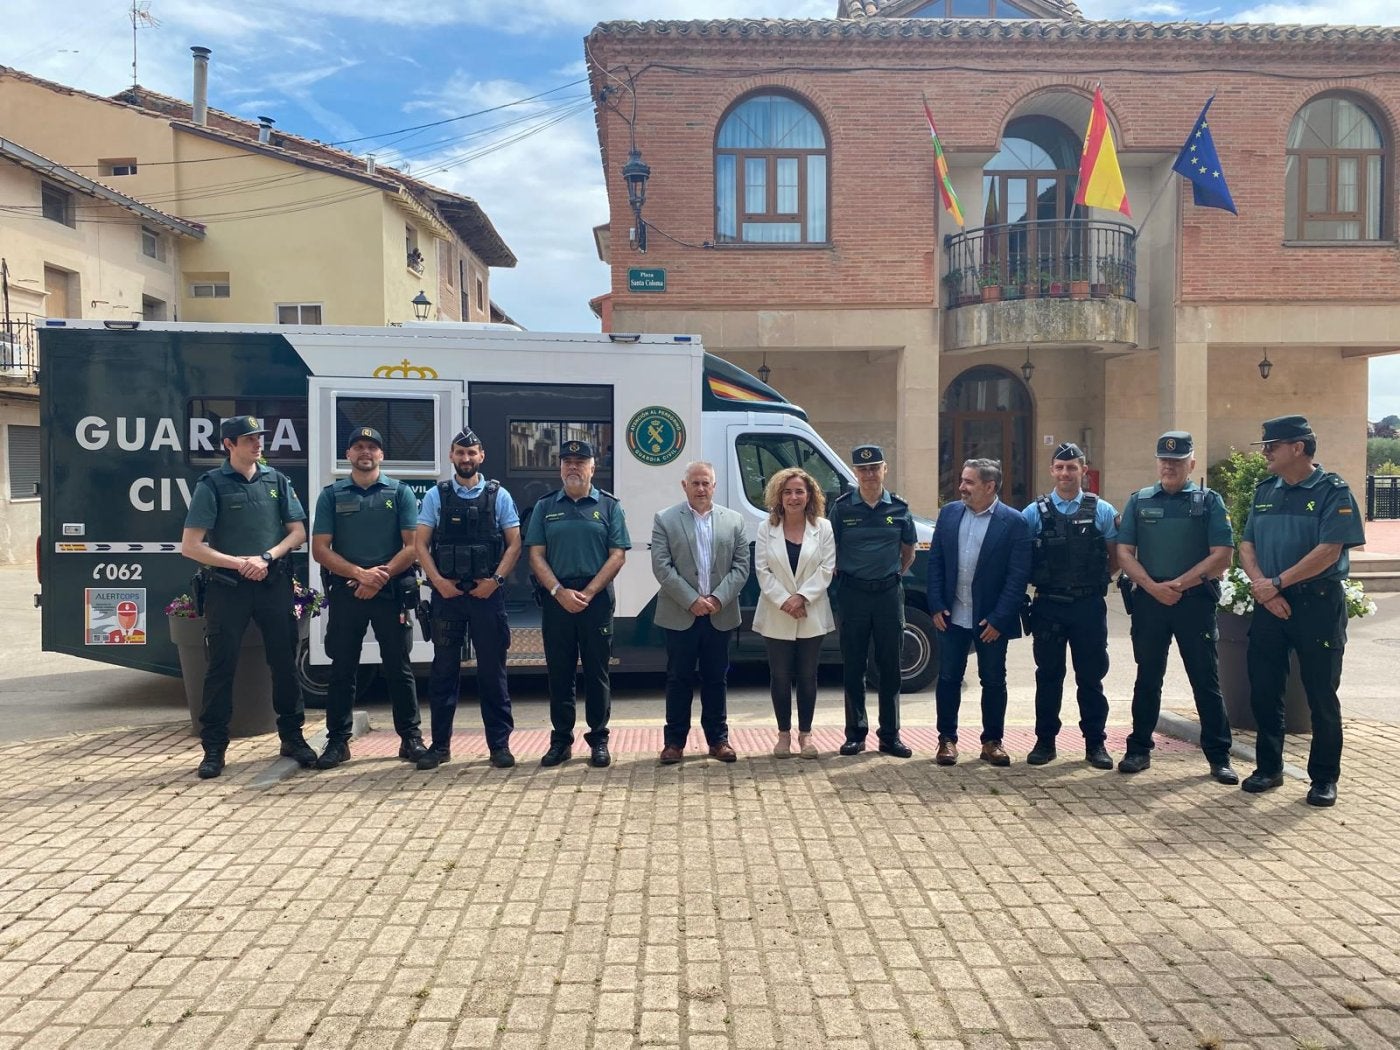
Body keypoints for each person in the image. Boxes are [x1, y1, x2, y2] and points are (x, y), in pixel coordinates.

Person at [180, 415, 317, 779]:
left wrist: (267, 557)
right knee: (220, 667)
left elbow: (298, 533)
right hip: (228, 589)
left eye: (259, 437)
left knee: (285, 663)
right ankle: (213, 749)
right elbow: (191, 546)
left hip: (272, 583)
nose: (258, 444)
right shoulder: (211, 484)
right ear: (229, 444)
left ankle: (293, 737)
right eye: (248, 439)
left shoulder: (277, 480)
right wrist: (238, 563)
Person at [1239, 415, 1364, 807]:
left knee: (1320, 695)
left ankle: (1324, 778)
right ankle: (1268, 768)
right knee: (1264, 689)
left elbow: (1329, 551)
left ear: (1298, 447)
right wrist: (1263, 587)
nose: (1266, 454)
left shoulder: (1333, 492)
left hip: (1316, 604)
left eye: (1272, 446)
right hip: (1269, 603)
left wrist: (1278, 583)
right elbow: (1247, 544)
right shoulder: (1265, 490)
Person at [1115, 432, 1238, 783]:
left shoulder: (1209, 502)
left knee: (1206, 680)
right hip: (1151, 602)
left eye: (1178, 461)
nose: (1169, 466)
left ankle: (1219, 756)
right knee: (1147, 678)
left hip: (1194, 602)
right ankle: (1139, 749)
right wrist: (1154, 588)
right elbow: (1124, 553)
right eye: (1164, 460)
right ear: (1157, 462)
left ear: (1191, 464)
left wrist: (1180, 585)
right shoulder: (1139, 501)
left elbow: (1222, 555)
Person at [310, 426, 425, 770]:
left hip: (389, 592)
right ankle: (337, 742)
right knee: (343, 668)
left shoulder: (399, 492)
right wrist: (360, 575)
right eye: (359, 446)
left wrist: (380, 577)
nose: (366, 452)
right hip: (347, 591)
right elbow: (320, 549)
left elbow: (412, 546)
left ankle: (411, 738)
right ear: (348, 455)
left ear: (381, 455)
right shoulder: (331, 495)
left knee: (398, 667)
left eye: (372, 447)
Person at [415, 428, 522, 770]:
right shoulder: (436, 496)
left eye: (472, 453)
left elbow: (514, 543)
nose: (466, 459)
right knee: (444, 672)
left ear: (481, 456)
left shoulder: (498, 496)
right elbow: (420, 544)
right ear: (451, 456)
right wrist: (438, 583)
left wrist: (496, 581)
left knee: (493, 673)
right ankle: (440, 746)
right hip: (448, 597)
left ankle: (500, 746)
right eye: (460, 453)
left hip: (487, 597)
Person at [526, 439, 630, 768]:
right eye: (567, 461)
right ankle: (561, 741)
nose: (573, 466)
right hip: (557, 599)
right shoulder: (545, 506)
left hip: (595, 599)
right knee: (560, 672)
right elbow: (536, 555)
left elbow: (618, 555)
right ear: (560, 468)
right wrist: (558, 591)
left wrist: (588, 592)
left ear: (592, 467)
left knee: (597, 672)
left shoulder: (610, 506)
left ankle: (599, 740)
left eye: (580, 461)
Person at [925, 458, 1032, 767]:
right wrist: (935, 605)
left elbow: (1017, 577)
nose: (961, 487)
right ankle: (947, 740)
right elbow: (936, 563)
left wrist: (1000, 618)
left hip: (990, 621)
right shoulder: (949, 514)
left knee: (994, 680)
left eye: (969, 482)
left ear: (990, 486)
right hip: (952, 616)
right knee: (948, 679)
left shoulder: (1013, 523)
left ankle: (992, 742)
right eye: (962, 480)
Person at [1022, 442, 1119, 769]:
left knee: (1091, 678)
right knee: (1048, 676)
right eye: (1060, 467)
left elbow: (1116, 556)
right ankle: (1045, 742)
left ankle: (1096, 744)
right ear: (1052, 470)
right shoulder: (1033, 513)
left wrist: (1090, 581)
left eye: (1072, 467)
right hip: (1048, 605)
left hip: (1087, 606)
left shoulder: (1102, 510)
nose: (1065, 473)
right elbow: (1021, 559)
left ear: (1083, 471)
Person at [651, 461, 751, 764]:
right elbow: (661, 566)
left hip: (719, 614)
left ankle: (718, 741)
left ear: (714, 486)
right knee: (678, 678)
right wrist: (692, 599)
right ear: (684, 486)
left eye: (706, 483)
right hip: (681, 613)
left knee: (716, 679)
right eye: (695, 483)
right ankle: (674, 743)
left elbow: (741, 565)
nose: (701, 489)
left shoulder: (734, 521)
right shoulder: (665, 519)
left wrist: (718, 599)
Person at [829, 444, 916, 757]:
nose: (868, 474)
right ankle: (856, 734)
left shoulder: (899, 508)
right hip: (853, 594)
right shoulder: (842, 508)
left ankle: (890, 736)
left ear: (884, 470)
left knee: (891, 666)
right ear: (855, 472)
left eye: (874, 468)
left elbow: (908, 552)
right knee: (853, 665)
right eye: (863, 469)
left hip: (888, 595)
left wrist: (889, 575)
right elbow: (831, 549)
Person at [753, 468, 835, 760]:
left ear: (810, 495)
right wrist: (786, 600)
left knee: (808, 675)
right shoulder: (766, 528)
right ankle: (784, 735)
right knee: (780, 676)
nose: (793, 497)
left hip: (811, 613)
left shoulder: (823, 528)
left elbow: (827, 569)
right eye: (787, 492)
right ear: (779, 496)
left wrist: (801, 598)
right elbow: (762, 571)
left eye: (799, 491)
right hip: (777, 613)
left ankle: (806, 735)